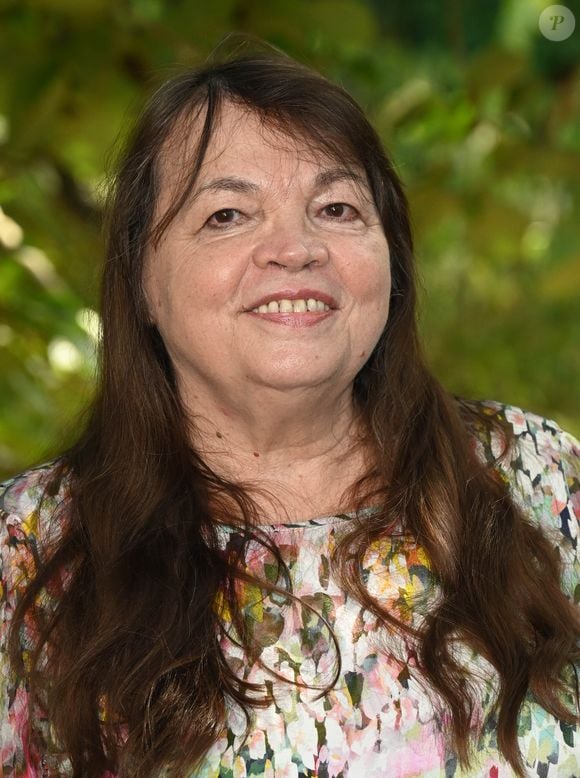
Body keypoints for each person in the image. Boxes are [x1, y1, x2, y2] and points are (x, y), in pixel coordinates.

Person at [0, 46, 579, 778]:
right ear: (142, 280)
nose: (297, 249)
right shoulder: (29, 554)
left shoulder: (537, 477)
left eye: (336, 209)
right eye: (228, 214)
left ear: (391, 262)